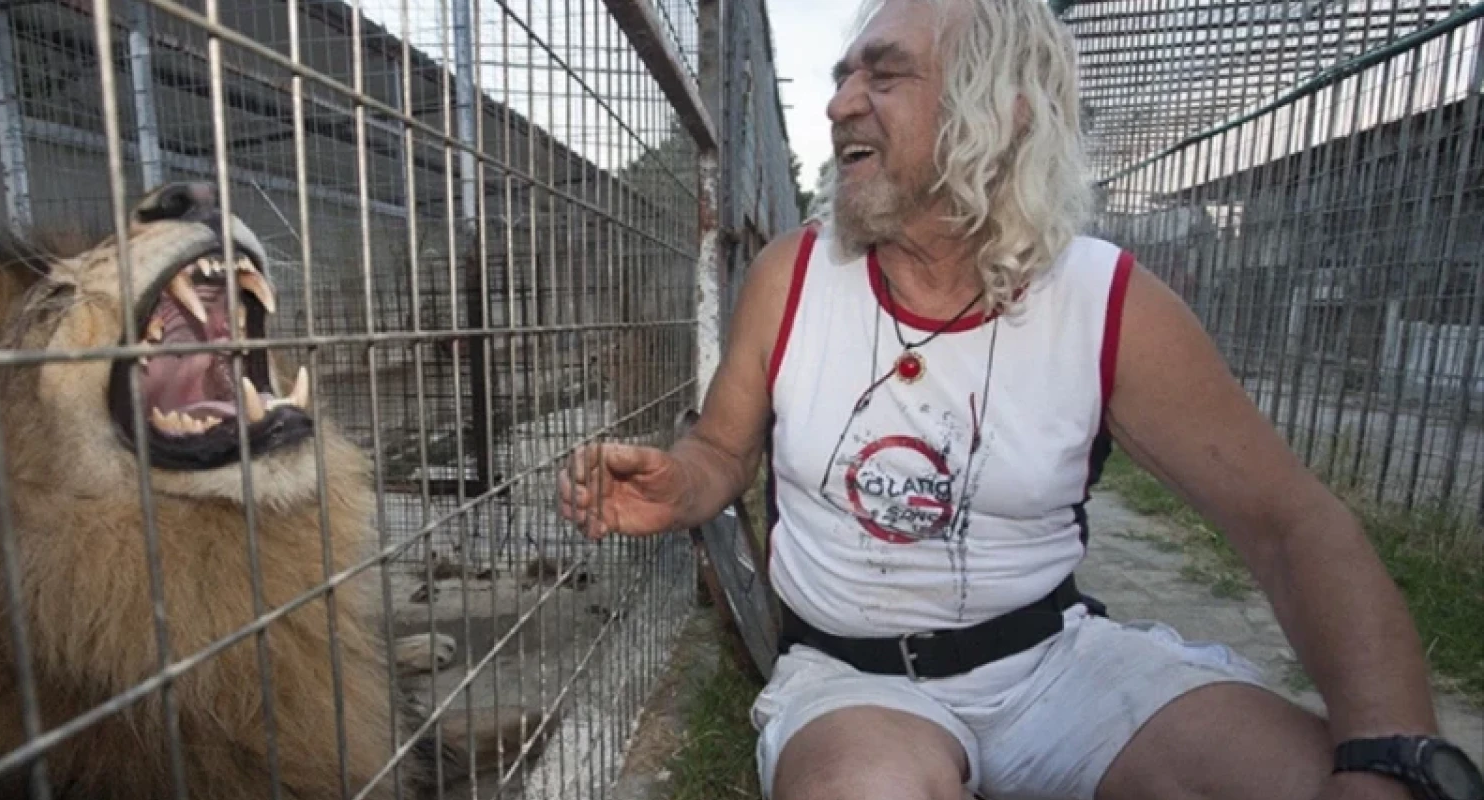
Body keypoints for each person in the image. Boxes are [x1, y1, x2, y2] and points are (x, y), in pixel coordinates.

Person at [557, 1, 1484, 799]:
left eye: (883, 75)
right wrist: (679, 486)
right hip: (854, 679)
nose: (841, 101)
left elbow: (1290, 525)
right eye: (842, 76)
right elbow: (722, 450)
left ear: (996, 110)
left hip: (1056, 665)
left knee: (1300, 777)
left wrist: (1388, 754)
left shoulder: (1107, 301)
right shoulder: (790, 277)